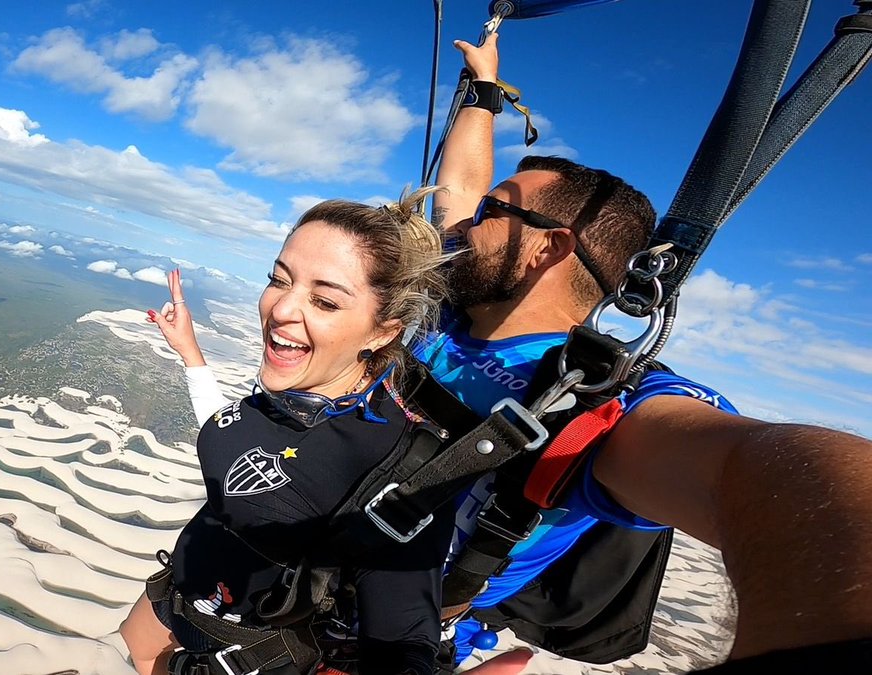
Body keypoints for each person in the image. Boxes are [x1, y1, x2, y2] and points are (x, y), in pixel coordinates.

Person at [149, 31, 872, 674]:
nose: (462, 222)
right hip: (290, 558)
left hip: (367, 634)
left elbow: (763, 473)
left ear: (547, 249)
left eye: (495, 213)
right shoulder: (450, 313)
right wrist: (486, 93)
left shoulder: (594, 404)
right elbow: (457, 187)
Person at [120, 190, 457, 675]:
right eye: (279, 280)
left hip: (243, 654)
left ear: (383, 331)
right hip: (180, 595)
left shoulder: (397, 465)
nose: (281, 310)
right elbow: (233, 441)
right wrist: (191, 354)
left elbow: (402, 638)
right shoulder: (288, 394)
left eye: (324, 300)